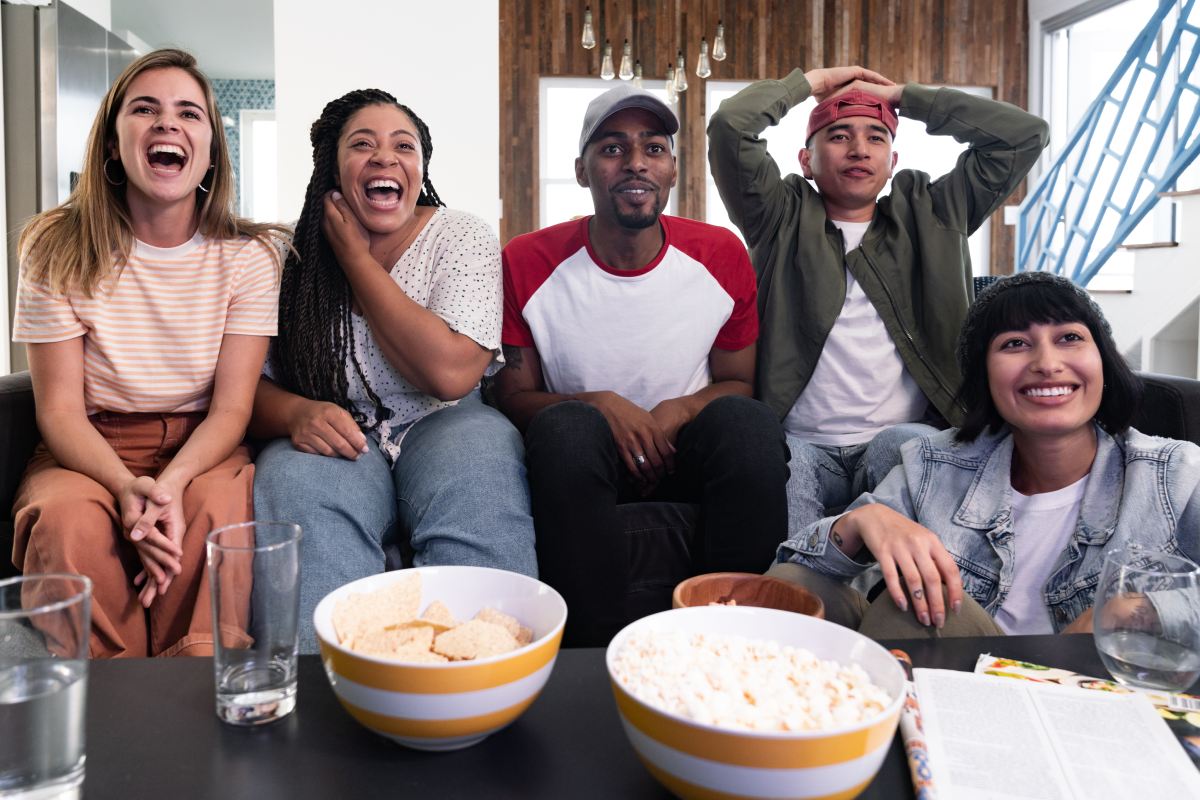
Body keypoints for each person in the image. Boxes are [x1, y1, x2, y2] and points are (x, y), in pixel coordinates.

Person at [10, 49, 285, 657]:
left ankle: (198, 689)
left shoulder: (252, 257)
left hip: (203, 446)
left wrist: (173, 483)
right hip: (88, 449)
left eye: (189, 113)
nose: (168, 124)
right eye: (145, 110)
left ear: (211, 152)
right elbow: (58, 413)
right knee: (67, 523)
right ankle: (108, 697)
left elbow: (232, 409)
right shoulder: (53, 247)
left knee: (218, 513)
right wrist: (125, 486)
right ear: (112, 144)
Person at [497, 85, 790, 647]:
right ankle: (592, 655)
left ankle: (734, 642)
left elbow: (738, 381)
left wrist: (676, 410)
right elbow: (512, 398)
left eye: (653, 148)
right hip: (581, 459)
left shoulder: (720, 254)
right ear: (582, 171)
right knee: (564, 429)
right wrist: (604, 405)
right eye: (612, 149)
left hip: (681, 448)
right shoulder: (526, 259)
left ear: (674, 169)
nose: (635, 163)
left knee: (750, 426)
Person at [707, 66, 1050, 548]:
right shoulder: (776, 215)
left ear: (892, 161)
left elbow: (1023, 135)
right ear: (806, 159)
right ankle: (804, 593)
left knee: (905, 445)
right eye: (838, 135)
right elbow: (730, 127)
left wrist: (903, 96)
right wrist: (810, 83)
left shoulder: (935, 213)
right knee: (784, 477)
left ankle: (889, 601)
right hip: (798, 444)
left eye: (876, 136)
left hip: (898, 438)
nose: (858, 148)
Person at [249, 89, 536, 654]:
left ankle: (486, 672)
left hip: (447, 420)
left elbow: (452, 374)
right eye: (363, 145)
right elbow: (245, 386)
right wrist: (296, 411)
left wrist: (355, 258)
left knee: (482, 464)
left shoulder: (461, 235)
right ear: (332, 167)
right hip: (337, 429)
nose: (385, 157)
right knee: (294, 482)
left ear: (420, 168)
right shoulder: (290, 255)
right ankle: (324, 690)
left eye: (403, 146)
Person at [768, 271, 1200, 639]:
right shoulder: (933, 464)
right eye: (1015, 344)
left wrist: (1130, 610)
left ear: (1104, 361)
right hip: (960, 689)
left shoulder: (1176, 475)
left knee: (916, 615)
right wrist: (861, 521)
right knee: (792, 589)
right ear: (984, 376)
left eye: (1069, 337)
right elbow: (793, 568)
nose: (1047, 363)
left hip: (1095, 698)